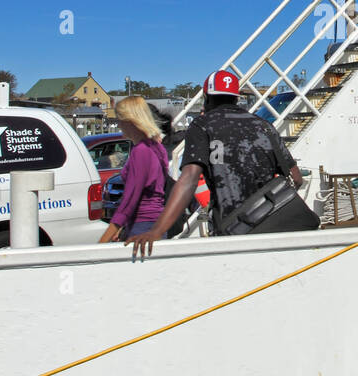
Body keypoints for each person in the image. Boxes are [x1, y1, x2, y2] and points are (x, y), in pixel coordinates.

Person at [127, 70, 317, 258]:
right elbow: (297, 179)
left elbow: (189, 179)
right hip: (272, 229)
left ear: (207, 98)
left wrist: (157, 231)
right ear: (236, 98)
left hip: (232, 231)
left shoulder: (203, 125)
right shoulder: (264, 126)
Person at [99, 96, 170, 244]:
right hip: (155, 223)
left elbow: (130, 200)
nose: (118, 125)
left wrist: (102, 241)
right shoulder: (157, 147)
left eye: (119, 120)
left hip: (142, 225)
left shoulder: (141, 151)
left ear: (130, 121)